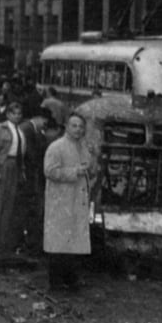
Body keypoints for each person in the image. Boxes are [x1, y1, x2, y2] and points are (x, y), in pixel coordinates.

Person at [43, 112, 97, 292]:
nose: (77, 130)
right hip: (61, 201)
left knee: (74, 242)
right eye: (74, 125)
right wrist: (74, 172)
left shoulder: (83, 148)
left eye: (81, 127)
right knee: (59, 242)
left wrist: (94, 160)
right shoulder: (56, 147)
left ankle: (71, 279)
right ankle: (56, 282)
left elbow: (91, 169)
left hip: (78, 201)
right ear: (66, 126)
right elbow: (50, 171)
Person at [0, 100, 26, 254]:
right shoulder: (0, 128)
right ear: (8, 114)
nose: (17, 116)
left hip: (14, 166)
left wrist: (22, 170)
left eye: (19, 114)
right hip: (3, 165)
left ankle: (1, 240)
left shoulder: (20, 131)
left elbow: (21, 153)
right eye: (13, 113)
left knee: (9, 205)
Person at [18, 109, 51, 255]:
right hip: (30, 174)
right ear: (38, 118)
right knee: (30, 208)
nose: (44, 126)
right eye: (44, 123)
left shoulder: (33, 130)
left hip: (34, 174)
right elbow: (31, 154)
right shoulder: (27, 129)